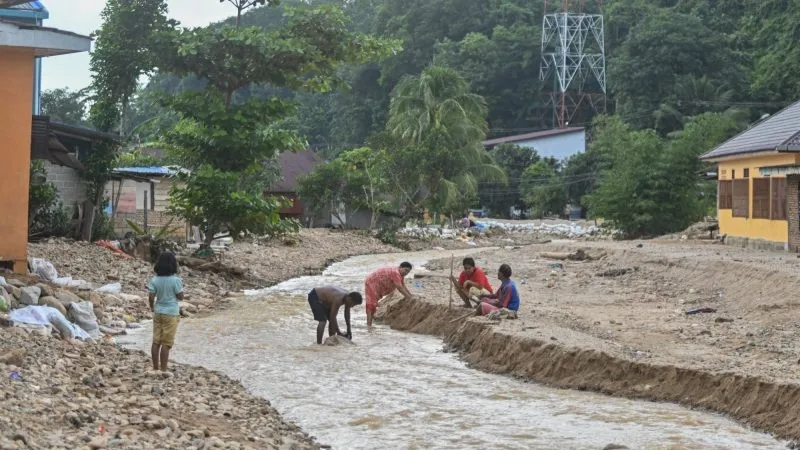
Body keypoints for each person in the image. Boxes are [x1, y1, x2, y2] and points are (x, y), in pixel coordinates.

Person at [147, 252, 184, 372]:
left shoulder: (154, 280)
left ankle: (155, 367)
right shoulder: (175, 280)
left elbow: (151, 297)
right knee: (166, 343)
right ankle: (163, 369)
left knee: (156, 341)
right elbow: (180, 297)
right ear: (173, 265)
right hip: (171, 313)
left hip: (158, 312)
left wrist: (152, 308)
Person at [364, 262, 414, 328]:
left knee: (373, 303)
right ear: (400, 267)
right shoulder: (395, 273)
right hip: (371, 282)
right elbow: (399, 288)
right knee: (371, 304)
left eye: (408, 272)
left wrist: (411, 296)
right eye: (406, 270)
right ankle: (369, 326)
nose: (406, 273)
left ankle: (371, 321)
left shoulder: (400, 274)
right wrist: (409, 297)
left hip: (376, 284)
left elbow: (403, 286)